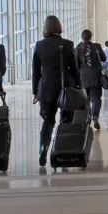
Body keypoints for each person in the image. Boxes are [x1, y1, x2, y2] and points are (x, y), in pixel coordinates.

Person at [32, 15, 80, 167]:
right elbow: (74, 69)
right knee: (66, 121)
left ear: (45, 28)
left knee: (48, 121)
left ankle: (43, 150)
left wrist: (35, 92)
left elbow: (36, 72)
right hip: (66, 87)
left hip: (46, 88)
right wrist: (78, 87)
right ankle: (61, 151)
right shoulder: (68, 44)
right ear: (59, 26)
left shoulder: (39, 45)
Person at [75, 29, 106, 131]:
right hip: (96, 77)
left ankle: (86, 120)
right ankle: (95, 116)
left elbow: (76, 65)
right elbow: (104, 58)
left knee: (85, 100)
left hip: (83, 79)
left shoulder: (78, 48)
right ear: (91, 37)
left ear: (82, 37)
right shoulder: (96, 46)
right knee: (96, 98)